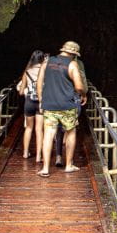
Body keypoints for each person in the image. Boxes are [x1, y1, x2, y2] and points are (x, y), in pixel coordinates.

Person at [36, 40, 86, 176]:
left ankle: (45, 168)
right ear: (73, 53)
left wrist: (41, 100)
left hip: (49, 105)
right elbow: (79, 86)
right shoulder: (72, 64)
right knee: (70, 132)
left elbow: (39, 82)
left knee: (48, 134)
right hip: (67, 105)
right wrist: (83, 94)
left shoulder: (47, 62)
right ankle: (69, 165)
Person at [16, 50, 47, 162]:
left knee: (28, 128)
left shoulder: (27, 72)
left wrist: (26, 90)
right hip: (41, 102)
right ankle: (39, 156)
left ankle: (25, 153)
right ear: (42, 59)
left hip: (29, 101)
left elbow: (20, 91)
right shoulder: (45, 71)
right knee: (39, 129)